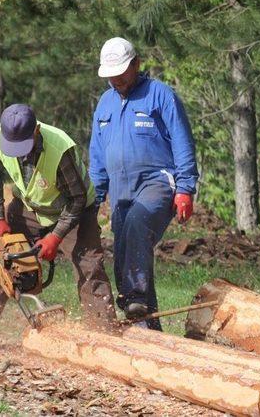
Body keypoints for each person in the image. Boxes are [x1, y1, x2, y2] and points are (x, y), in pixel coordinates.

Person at [0, 104, 116, 349]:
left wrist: (56, 237)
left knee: (89, 267)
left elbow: (77, 199)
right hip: (28, 207)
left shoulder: (60, 149)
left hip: (73, 211)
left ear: (36, 131)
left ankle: (104, 337)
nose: (18, 154)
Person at [89, 37, 199, 330]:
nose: (117, 79)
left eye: (122, 72)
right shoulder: (105, 103)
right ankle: (148, 332)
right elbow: (98, 155)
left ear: (136, 64)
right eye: (111, 74)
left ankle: (135, 296)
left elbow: (182, 141)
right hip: (121, 191)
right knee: (124, 251)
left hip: (157, 182)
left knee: (138, 223)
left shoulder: (160, 95)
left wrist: (186, 188)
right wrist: (94, 197)